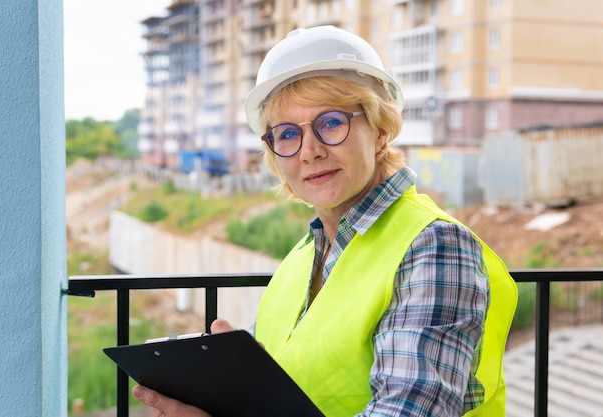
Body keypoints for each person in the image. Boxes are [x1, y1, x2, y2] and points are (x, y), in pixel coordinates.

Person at [132, 25, 518, 417]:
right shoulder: (300, 262)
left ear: (381, 130)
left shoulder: (435, 247)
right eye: (287, 134)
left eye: (331, 123)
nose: (310, 151)